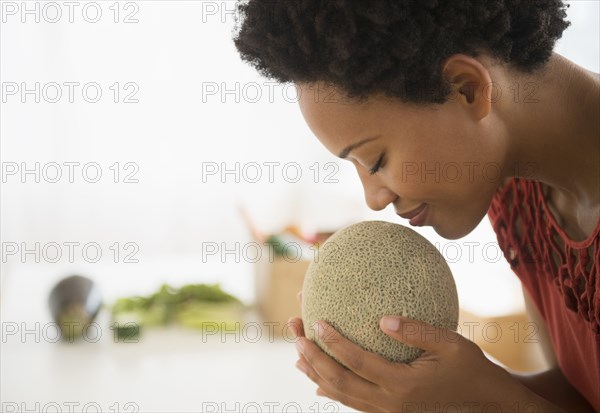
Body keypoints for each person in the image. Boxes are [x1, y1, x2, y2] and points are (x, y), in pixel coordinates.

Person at [234, 1, 599, 411]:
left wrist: (489, 403)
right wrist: (456, 390)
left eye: (375, 161)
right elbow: (580, 397)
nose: (374, 199)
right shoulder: (516, 192)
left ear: (466, 88)